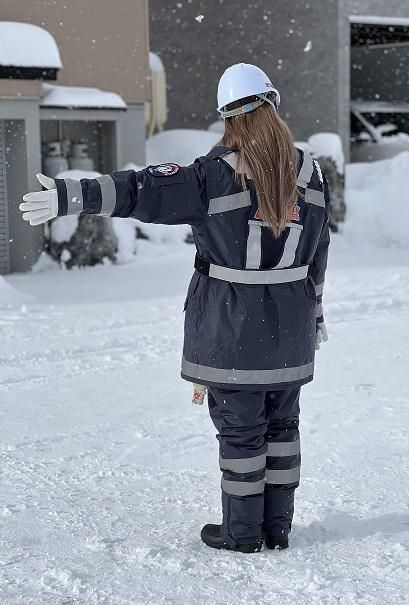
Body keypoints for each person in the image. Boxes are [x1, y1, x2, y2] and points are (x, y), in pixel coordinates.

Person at [20, 63, 330, 554]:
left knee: (242, 433)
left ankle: (242, 534)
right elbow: (318, 252)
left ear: (228, 118)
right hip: (291, 330)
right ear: (273, 105)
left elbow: (143, 190)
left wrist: (71, 195)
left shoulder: (214, 176)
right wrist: (316, 313)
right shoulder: (311, 173)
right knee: (283, 427)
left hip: (233, 331)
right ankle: (277, 528)